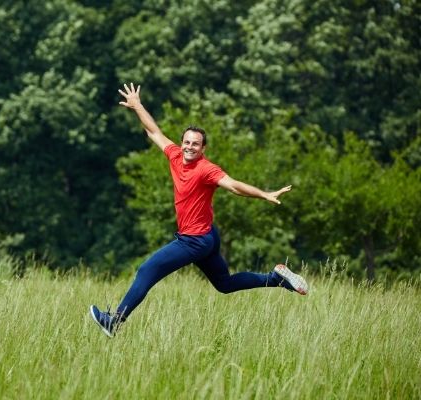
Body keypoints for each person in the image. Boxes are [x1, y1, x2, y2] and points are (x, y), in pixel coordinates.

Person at [89, 83, 308, 338]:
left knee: (147, 270)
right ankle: (278, 279)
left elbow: (234, 186)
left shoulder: (206, 169)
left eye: (196, 144)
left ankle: (114, 321)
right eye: (187, 142)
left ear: (203, 148)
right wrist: (137, 106)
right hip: (208, 236)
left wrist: (264, 194)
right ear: (181, 143)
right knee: (224, 284)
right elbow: (154, 133)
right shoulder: (174, 156)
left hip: (195, 241)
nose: (190, 147)